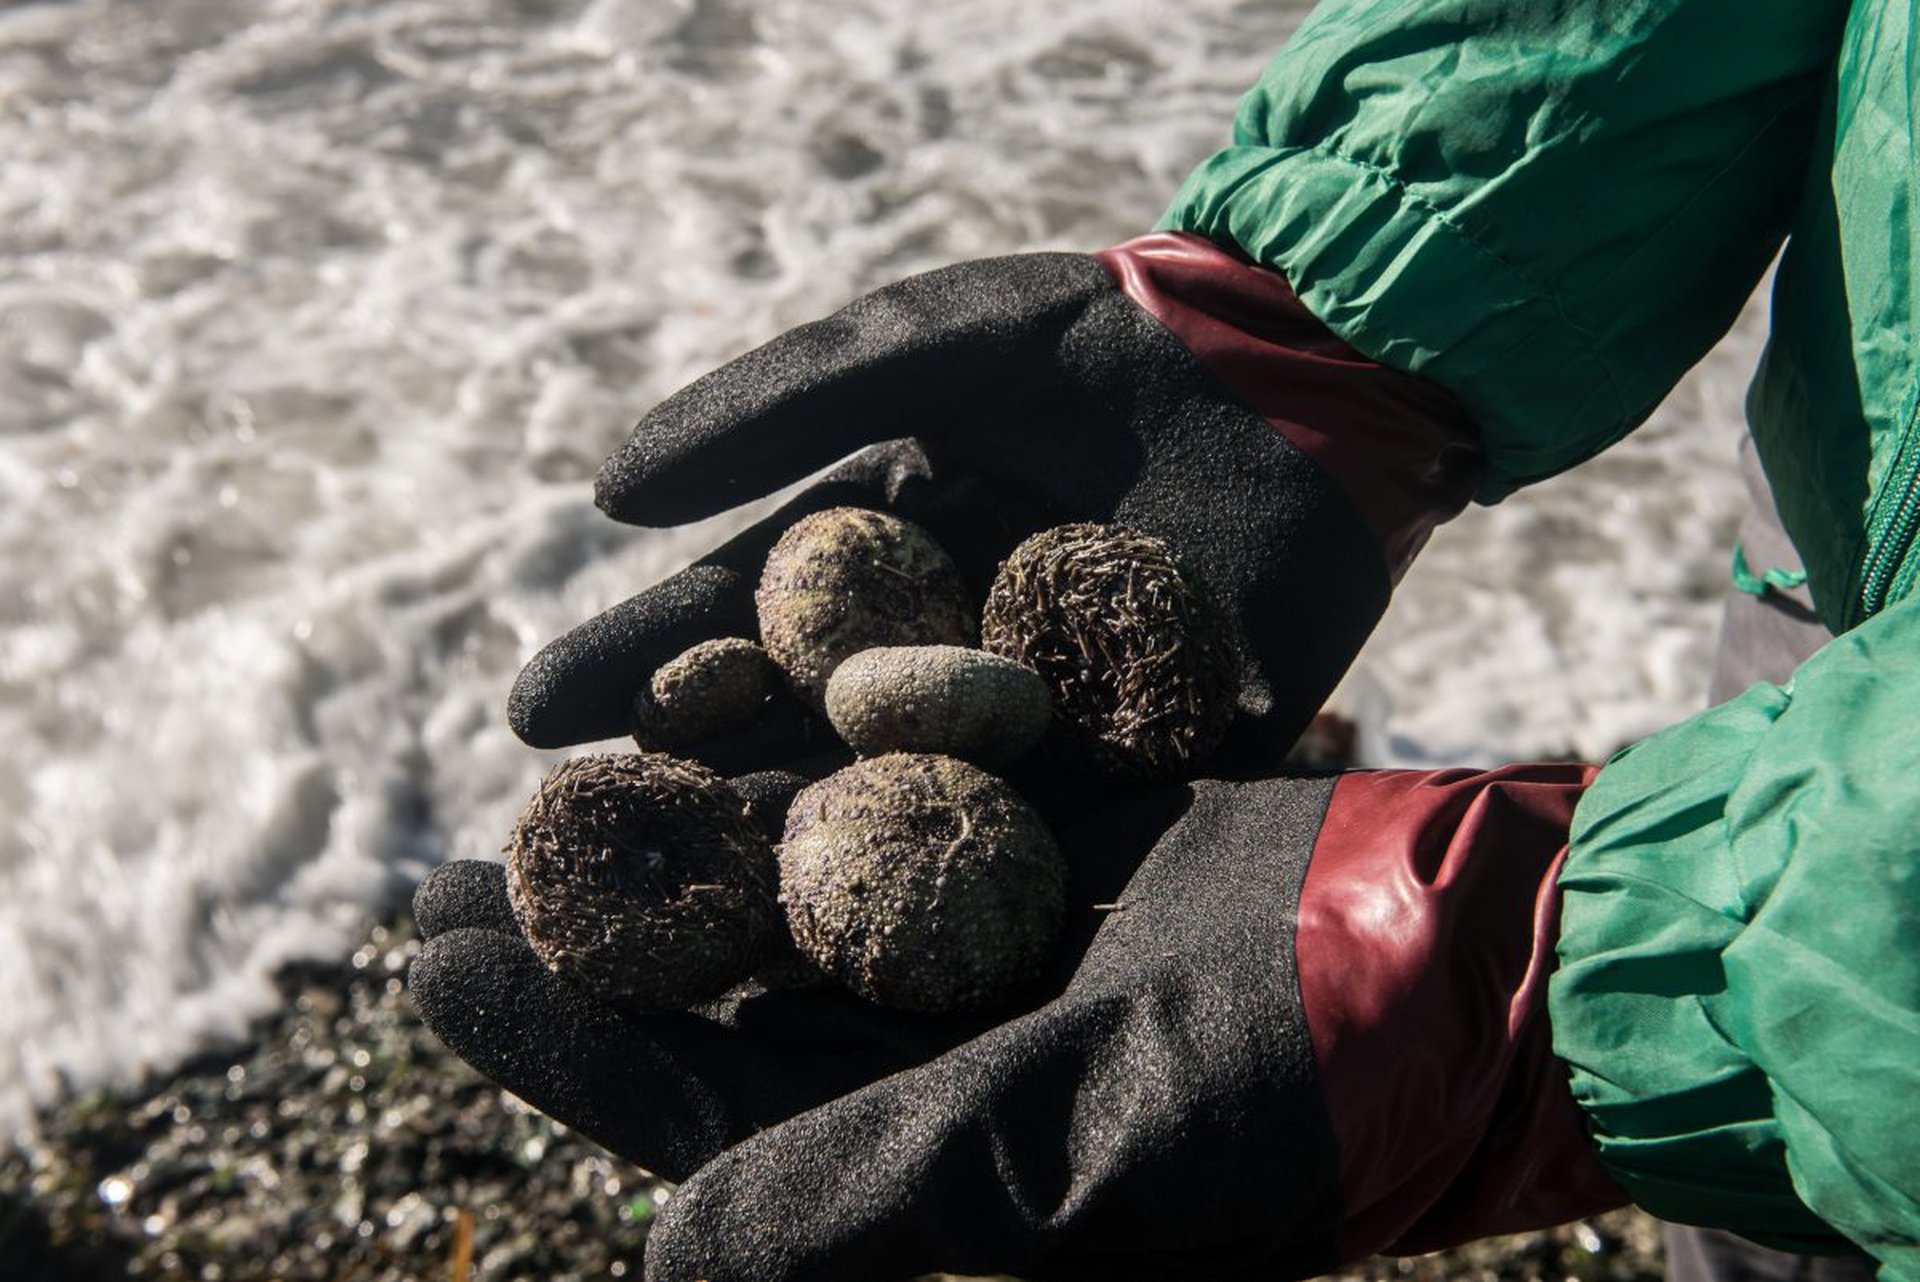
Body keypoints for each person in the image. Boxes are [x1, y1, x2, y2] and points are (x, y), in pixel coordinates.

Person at [407, 2, 1919, 1280]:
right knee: (1772, 1176)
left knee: (1791, 1089)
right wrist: (1352, 280)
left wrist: (1602, 962)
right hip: (1867, 444)